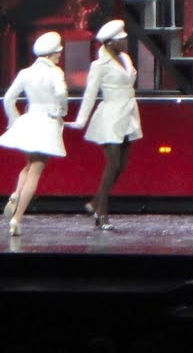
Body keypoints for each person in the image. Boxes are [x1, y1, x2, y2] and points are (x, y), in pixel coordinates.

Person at [67, 20, 142, 229]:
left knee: (122, 165)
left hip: (128, 115)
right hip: (110, 116)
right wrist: (81, 120)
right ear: (110, 43)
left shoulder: (125, 58)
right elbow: (90, 94)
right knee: (113, 164)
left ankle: (95, 202)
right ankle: (101, 212)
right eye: (121, 40)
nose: (125, 42)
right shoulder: (99, 65)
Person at [0, 31, 69, 237]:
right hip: (47, 122)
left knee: (29, 165)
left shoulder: (25, 72)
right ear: (50, 54)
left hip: (30, 120)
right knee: (36, 169)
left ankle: (16, 193)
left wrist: (15, 120)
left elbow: (8, 98)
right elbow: (61, 93)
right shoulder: (55, 72)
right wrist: (62, 110)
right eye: (57, 52)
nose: (59, 55)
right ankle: (17, 219)